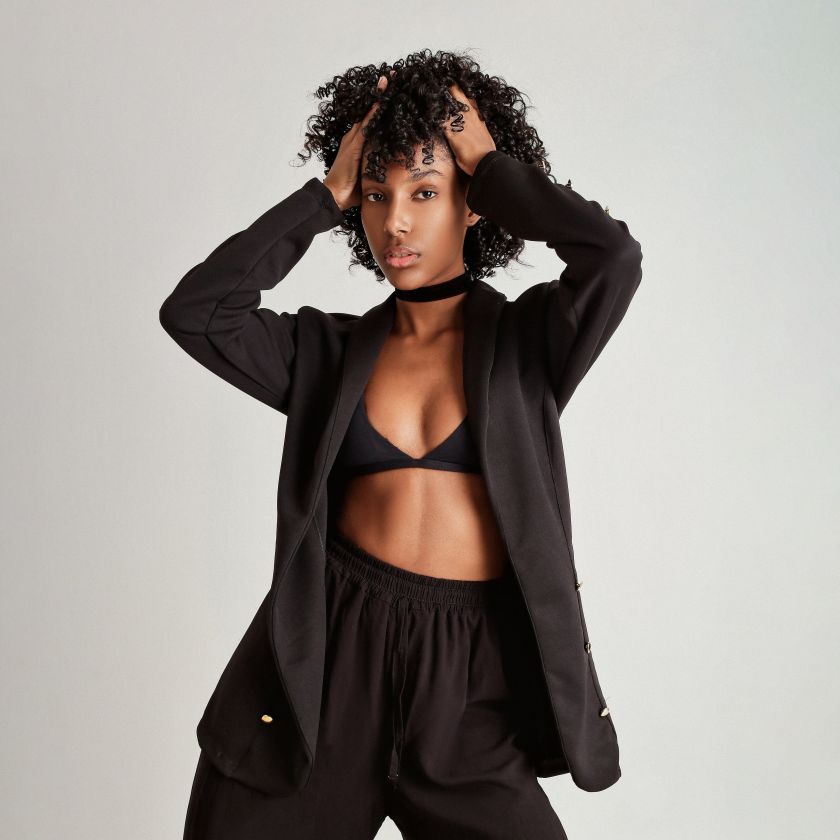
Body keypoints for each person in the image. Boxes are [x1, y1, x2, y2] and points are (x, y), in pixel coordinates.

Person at [160, 49, 642, 840]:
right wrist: (323, 198)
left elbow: (613, 258)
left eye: (425, 191)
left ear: (471, 203)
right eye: (376, 195)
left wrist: (494, 169)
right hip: (327, 667)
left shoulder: (531, 342)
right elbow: (198, 312)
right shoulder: (325, 353)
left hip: (469, 684)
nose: (396, 224)